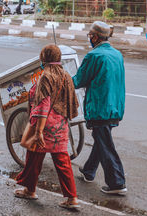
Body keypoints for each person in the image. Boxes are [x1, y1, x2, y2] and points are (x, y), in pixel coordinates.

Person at [14, 44, 80, 209]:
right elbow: (72, 102)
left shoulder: (46, 76)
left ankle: (30, 190)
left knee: (33, 159)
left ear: (44, 59)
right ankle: (72, 199)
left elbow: (43, 106)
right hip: (61, 126)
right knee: (63, 162)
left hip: (45, 125)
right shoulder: (66, 76)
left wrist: (38, 132)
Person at [72, 21, 127, 195]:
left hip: (100, 108)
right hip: (115, 106)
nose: (90, 39)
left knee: (105, 144)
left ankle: (117, 183)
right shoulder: (117, 54)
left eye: (90, 36)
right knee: (101, 139)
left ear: (95, 37)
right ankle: (89, 171)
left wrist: (62, 77)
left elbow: (78, 81)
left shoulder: (94, 56)